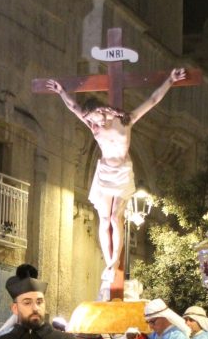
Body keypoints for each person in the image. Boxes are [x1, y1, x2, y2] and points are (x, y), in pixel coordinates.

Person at [46, 69, 186, 286]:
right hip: (104, 172)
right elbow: (74, 107)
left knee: (114, 218)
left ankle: (115, 261)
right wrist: (61, 91)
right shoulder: (93, 125)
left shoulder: (125, 121)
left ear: (101, 111)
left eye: (94, 119)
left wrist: (170, 80)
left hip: (121, 172)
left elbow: (152, 100)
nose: (93, 125)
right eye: (90, 121)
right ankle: (108, 263)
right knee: (103, 218)